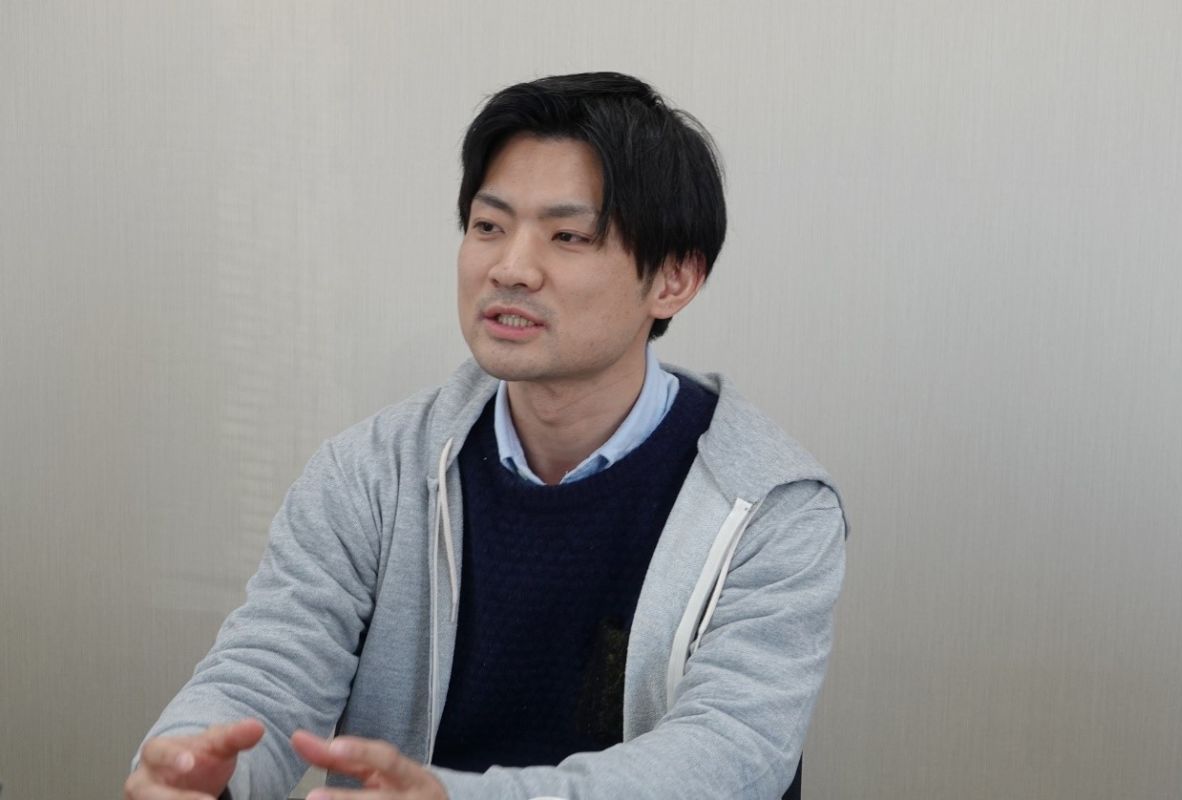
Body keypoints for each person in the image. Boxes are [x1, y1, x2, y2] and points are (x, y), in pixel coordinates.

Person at [126, 71, 847, 800]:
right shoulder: (370, 473)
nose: (510, 268)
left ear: (674, 279)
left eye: (568, 236)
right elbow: (267, 670)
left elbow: (730, 756)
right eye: (488, 226)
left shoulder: (772, 506)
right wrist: (199, 768)